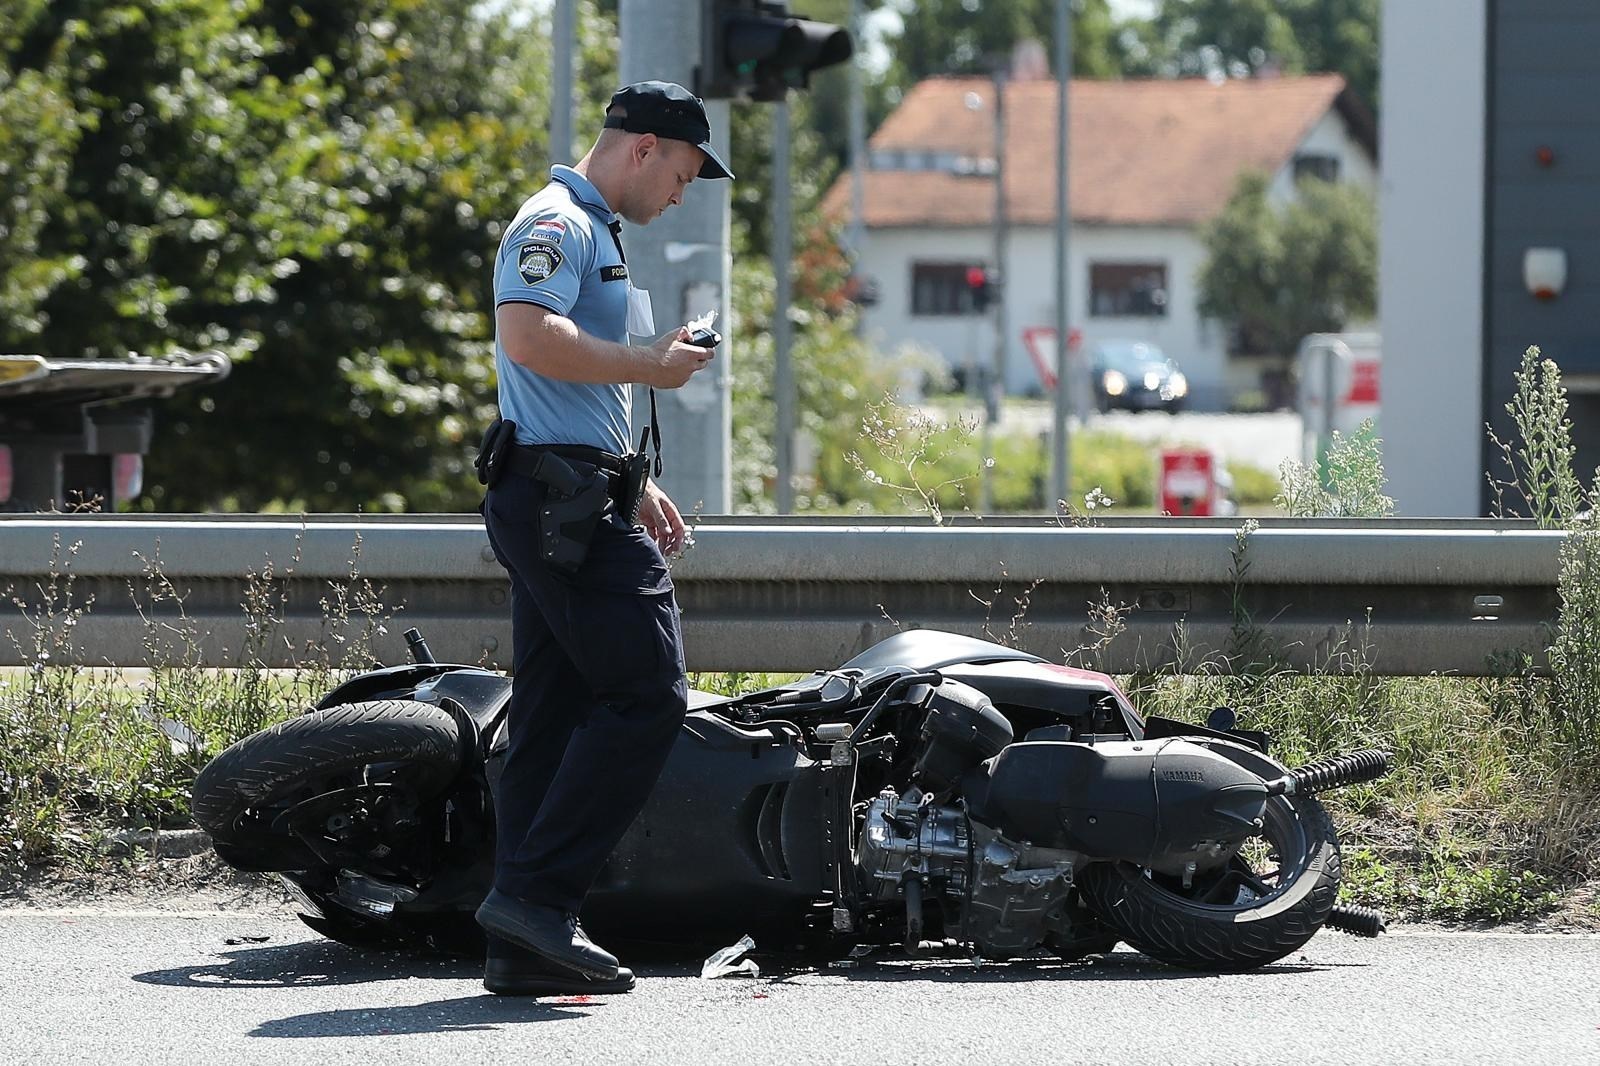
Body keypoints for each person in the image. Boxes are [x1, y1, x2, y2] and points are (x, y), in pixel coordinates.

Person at [473, 80, 733, 997]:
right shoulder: (557, 223)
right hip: (558, 502)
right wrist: (652, 366)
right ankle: (538, 901)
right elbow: (529, 339)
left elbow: (567, 388)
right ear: (642, 148)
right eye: (685, 173)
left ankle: (521, 937)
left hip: (575, 493)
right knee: (647, 697)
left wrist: (637, 479)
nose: (682, 193)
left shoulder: (595, 229)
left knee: (551, 713)